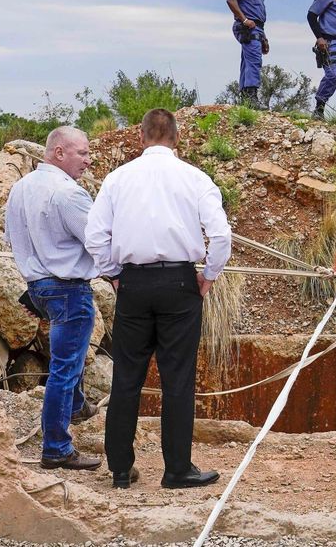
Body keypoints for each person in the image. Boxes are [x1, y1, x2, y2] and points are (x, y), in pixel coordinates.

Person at [85, 108, 232, 490]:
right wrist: (208, 276)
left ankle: (119, 468)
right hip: (180, 284)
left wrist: (114, 275)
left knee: (127, 378)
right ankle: (177, 469)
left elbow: (95, 237)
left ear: (141, 137)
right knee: (178, 380)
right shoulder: (195, 178)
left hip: (133, 284)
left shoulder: (118, 179)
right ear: (177, 138)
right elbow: (221, 237)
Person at [4, 127, 101, 472]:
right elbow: (99, 241)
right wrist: (121, 272)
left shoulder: (20, 188)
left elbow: (10, 237)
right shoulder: (68, 193)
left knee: (66, 357)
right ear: (59, 153)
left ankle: (75, 405)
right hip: (68, 288)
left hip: (37, 287)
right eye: (83, 153)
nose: (89, 162)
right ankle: (57, 448)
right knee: (65, 367)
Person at [227, 0, 268, 108]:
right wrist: (244, 19)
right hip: (247, 26)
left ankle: (245, 97)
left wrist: (264, 37)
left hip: (257, 27)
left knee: (247, 60)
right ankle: (251, 98)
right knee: (254, 60)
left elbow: (258, 16)